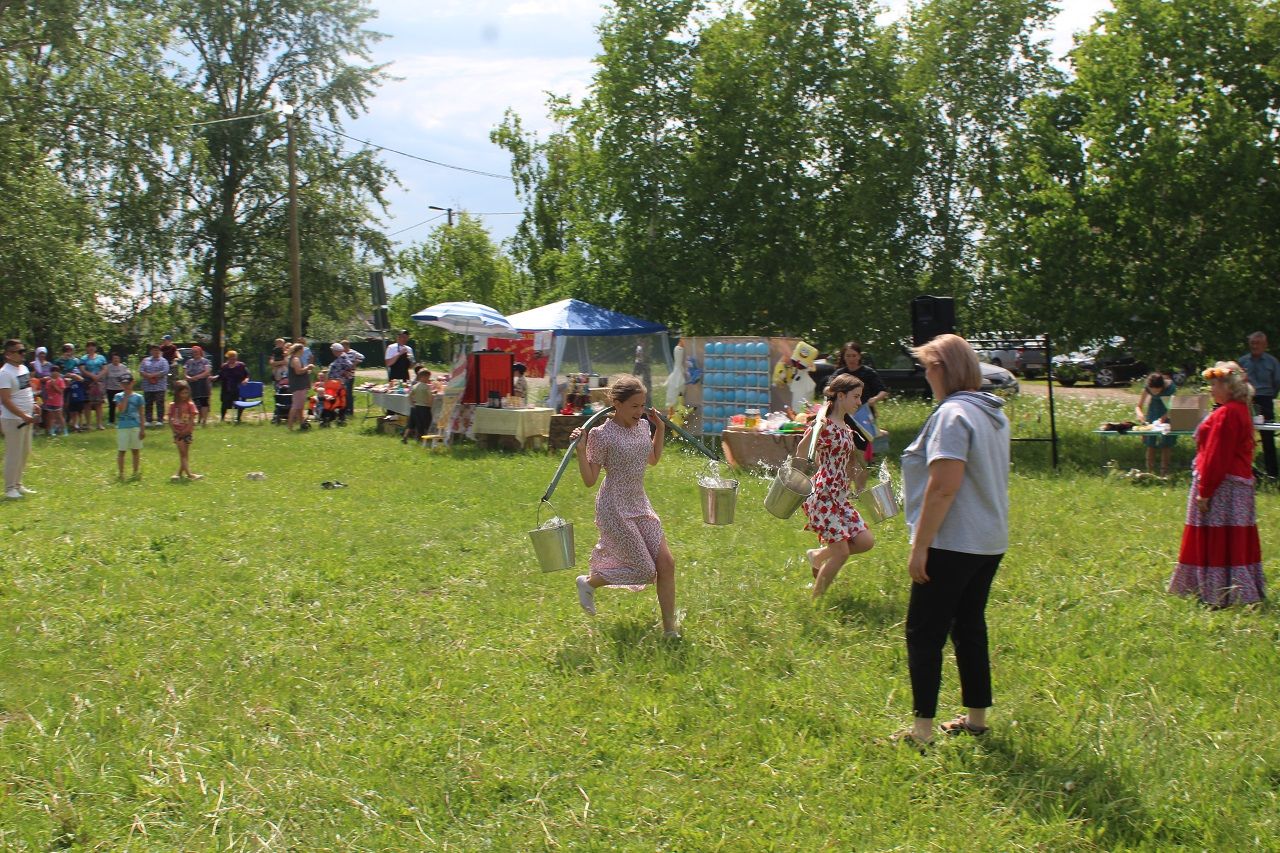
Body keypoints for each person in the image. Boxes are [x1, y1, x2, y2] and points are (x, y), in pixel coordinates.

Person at [896, 334, 1010, 747]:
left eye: (927, 367)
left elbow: (944, 486)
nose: (925, 375)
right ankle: (976, 718)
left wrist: (920, 545)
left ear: (942, 368)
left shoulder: (953, 415)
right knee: (969, 626)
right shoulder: (992, 413)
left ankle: (921, 731)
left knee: (924, 632)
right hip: (988, 540)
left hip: (953, 542)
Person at [569, 375, 680, 637]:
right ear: (616, 404)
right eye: (634, 406)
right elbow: (589, 480)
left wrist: (660, 429)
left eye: (642, 405)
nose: (640, 411)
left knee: (666, 564)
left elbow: (652, 459)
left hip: (639, 503)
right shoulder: (601, 435)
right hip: (614, 507)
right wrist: (580, 450)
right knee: (644, 570)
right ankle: (588, 582)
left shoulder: (643, 426)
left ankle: (669, 629)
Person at [1169, 362, 1265, 607]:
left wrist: (1205, 491)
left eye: (1214, 384)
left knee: (1217, 536)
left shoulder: (1227, 413)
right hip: (1238, 485)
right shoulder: (1241, 409)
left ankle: (1216, 593)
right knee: (1234, 538)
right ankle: (1236, 590)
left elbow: (1216, 455)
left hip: (1223, 487)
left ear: (1229, 386)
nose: (1210, 389)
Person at [800, 373, 876, 598]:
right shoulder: (824, 425)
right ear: (841, 396)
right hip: (822, 497)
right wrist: (814, 430)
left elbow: (850, 462)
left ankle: (818, 555)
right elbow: (803, 452)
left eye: (860, 397)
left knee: (865, 541)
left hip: (839, 497)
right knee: (841, 552)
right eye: (855, 396)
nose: (859, 402)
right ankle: (817, 600)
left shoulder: (845, 426)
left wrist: (859, 486)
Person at [1, 339, 40, 499]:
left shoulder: (23, 368)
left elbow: (26, 390)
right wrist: (23, 415)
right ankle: (10, 488)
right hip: (13, 420)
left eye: (24, 350)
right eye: (19, 351)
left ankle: (18, 484)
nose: (23, 354)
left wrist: (34, 405)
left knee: (24, 452)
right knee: (14, 454)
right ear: (8, 354)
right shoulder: (4, 373)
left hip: (27, 417)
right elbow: (6, 400)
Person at [1240, 331, 1279, 479]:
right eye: (1252, 343)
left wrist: (1269, 397)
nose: (1255, 346)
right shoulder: (1243, 361)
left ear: (1265, 345)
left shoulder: (1272, 362)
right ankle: (1247, 473)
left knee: (1267, 437)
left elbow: (1277, 382)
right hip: (1246, 401)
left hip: (1265, 400)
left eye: (1258, 343)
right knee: (1244, 438)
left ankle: (1272, 475)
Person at [1135, 372, 1177, 476]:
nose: (1155, 393)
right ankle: (1149, 472)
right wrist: (1140, 415)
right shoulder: (1147, 388)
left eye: (1157, 391)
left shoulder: (1170, 388)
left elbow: (1172, 407)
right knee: (1150, 444)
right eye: (1153, 391)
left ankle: (1164, 472)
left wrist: (1163, 418)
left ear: (1162, 387)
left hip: (1167, 411)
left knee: (1166, 444)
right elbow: (1138, 406)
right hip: (1153, 410)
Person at [167, 380, 203, 481]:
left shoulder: (190, 405)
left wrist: (187, 430)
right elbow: (170, 420)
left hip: (187, 432)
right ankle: (190, 474)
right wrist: (175, 430)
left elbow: (192, 419)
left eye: (186, 393)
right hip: (178, 433)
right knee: (182, 453)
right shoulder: (173, 405)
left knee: (185, 454)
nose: (184, 395)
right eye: (182, 393)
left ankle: (179, 474)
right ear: (177, 393)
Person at [78, 340, 107, 430]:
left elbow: (105, 369)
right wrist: (92, 376)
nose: (91, 348)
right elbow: (82, 369)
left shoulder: (101, 357)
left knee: (99, 404)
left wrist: (98, 376)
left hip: (99, 382)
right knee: (88, 404)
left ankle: (99, 424)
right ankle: (88, 424)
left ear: (95, 348)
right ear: (86, 348)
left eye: (93, 346)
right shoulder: (83, 358)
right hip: (87, 382)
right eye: (89, 346)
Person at [214, 350, 249, 423]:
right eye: (231, 358)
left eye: (234, 357)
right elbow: (220, 376)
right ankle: (222, 419)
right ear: (228, 358)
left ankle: (238, 418)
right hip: (227, 388)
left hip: (238, 388)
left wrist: (245, 380)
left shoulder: (241, 365)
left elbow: (247, 375)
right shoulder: (224, 366)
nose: (232, 359)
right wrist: (214, 378)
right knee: (224, 404)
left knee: (240, 403)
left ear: (236, 357)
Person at [182, 345, 213, 426]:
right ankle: (194, 420)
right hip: (192, 383)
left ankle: (204, 421)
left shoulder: (205, 361)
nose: (195, 353)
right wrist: (189, 378)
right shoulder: (188, 362)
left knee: (204, 402)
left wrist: (197, 377)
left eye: (196, 351)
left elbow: (207, 372)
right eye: (193, 352)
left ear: (200, 352)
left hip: (202, 383)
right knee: (193, 402)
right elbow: (185, 373)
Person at [139, 344, 170, 425]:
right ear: (151, 351)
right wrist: (148, 376)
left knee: (160, 403)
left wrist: (153, 375)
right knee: (148, 403)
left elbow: (165, 371)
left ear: (160, 351)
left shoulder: (163, 361)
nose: (155, 351)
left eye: (157, 350)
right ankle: (148, 420)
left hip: (159, 386)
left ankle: (160, 420)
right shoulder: (145, 360)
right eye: (154, 350)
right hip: (148, 386)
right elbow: (141, 371)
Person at [285, 342, 313, 429]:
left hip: (299, 384)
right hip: (298, 384)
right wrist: (308, 367)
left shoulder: (293, 358)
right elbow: (298, 371)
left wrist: (306, 371)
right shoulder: (295, 359)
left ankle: (302, 423)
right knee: (296, 405)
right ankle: (290, 425)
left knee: (300, 406)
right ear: (299, 350)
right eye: (302, 349)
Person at [404, 367, 434, 444]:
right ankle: (424, 438)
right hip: (424, 407)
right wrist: (430, 405)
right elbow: (430, 397)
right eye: (428, 378)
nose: (428, 379)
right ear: (423, 377)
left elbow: (409, 396)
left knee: (412, 423)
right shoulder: (426, 387)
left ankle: (405, 436)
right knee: (425, 423)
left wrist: (412, 404)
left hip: (415, 407)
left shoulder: (415, 386)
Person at [104, 352, 131, 425]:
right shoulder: (108, 367)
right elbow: (105, 378)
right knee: (112, 406)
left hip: (121, 389)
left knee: (123, 405)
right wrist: (104, 389)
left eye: (117, 358)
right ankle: (111, 421)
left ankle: (124, 419)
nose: (116, 360)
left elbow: (128, 378)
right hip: (110, 389)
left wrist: (127, 388)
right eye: (114, 358)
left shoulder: (123, 367)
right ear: (112, 359)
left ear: (119, 359)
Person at [42, 364, 67, 437]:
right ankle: (51, 432)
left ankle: (65, 431)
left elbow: (61, 391)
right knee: (51, 417)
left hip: (58, 402)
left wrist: (54, 385)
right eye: (53, 371)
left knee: (59, 416)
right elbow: (48, 391)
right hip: (50, 402)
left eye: (56, 371)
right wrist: (51, 385)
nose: (54, 373)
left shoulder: (61, 381)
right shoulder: (48, 382)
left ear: (59, 373)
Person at [340, 340, 364, 416]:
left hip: (350, 375)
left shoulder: (353, 352)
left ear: (347, 346)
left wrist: (355, 363)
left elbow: (362, 357)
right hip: (342, 376)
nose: (342, 348)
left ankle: (350, 411)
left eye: (343, 346)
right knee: (343, 393)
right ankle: (344, 408)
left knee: (348, 393)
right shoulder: (342, 353)